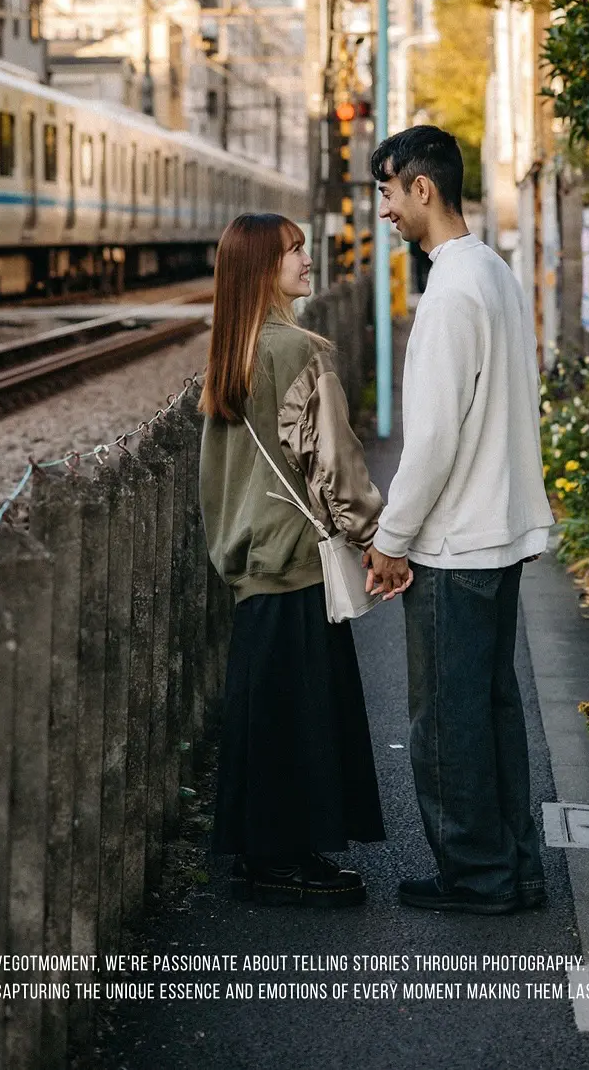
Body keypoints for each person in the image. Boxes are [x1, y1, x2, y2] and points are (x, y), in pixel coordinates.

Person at [363, 125, 555, 916]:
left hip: (453, 543)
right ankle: (515, 866)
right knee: (492, 707)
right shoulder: (495, 274)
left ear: (422, 187)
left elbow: (434, 438)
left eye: (387, 192)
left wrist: (390, 540)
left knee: (446, 718)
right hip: (496, 533)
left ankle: (476, 875)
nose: (384, 211)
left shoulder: (448, 293)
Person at [198, 213, 397, 908]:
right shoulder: (298, 350)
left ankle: (268, 854)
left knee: (268, 713)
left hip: (250, 558)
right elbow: (335, 463)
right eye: (293, 252)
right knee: (305, 715)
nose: (308, 260)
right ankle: (283, 864)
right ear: (262, 269)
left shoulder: (232, 352)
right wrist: (375, 539)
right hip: (295, 557)